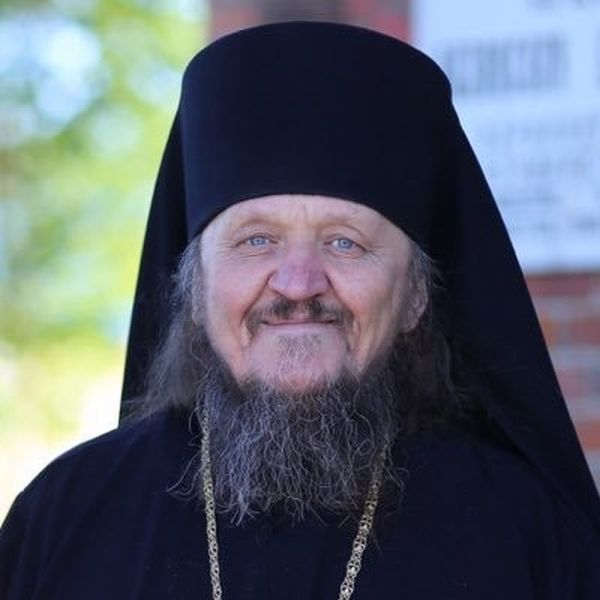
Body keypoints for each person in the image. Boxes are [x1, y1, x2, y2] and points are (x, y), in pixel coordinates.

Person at [1, 21, 600, 599]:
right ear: (195, 286)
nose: (297, 284)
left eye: (345, 242)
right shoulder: (63, 522)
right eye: (256, 240)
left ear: (416, 295)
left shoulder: (529, 539)